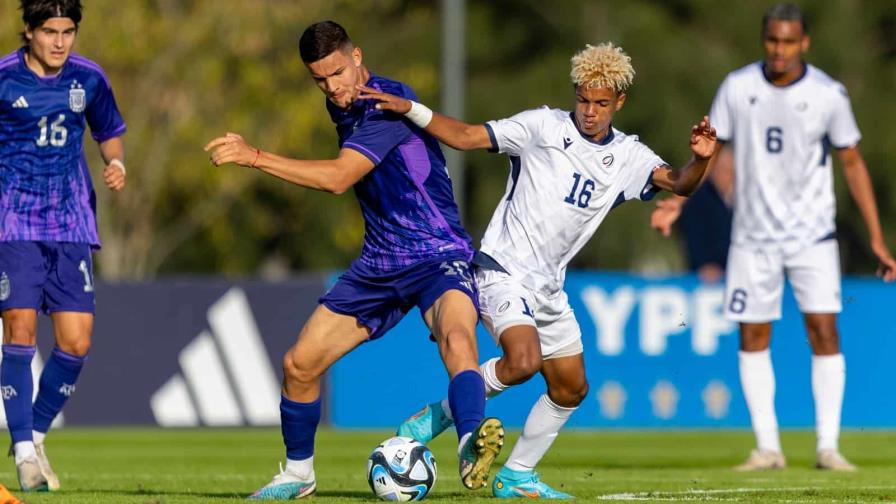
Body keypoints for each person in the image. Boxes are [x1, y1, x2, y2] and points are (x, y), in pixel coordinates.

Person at [360, 42, 717, 498]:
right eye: (583, 100)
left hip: (548, 288)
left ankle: (516, 476)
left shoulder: (629, 156)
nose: (590, 112)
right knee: (523, 362)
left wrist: (701, 159)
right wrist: (412, 109)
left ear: (619, 102)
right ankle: (434, 419)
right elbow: (466, 136)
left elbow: (681, 183)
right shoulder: (541, 127)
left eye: (601, 103)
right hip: (501, 269)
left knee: (570, 388)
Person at [205, 20, 503, 500]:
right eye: (320, 79)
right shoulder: (340, 104)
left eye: (338, 73)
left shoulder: (387, 103)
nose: (331, 87)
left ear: (357, 57)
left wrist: (253, 156)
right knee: (299, 364)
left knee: (456, 337)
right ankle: (298, 475)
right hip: (381, 262)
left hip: (436, 251)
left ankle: (471, 442)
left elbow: (339, 178)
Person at [650, 3, 896, 471]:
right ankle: (768, 447)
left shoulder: (828, 94)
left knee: (824, 331)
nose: (779, 50)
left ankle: (828, 446)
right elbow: (709, 152)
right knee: (752, 334)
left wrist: (876, 238)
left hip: (813, 236)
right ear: (764, 39)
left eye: (788, 42)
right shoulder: (738, 87)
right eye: (772, 40)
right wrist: (678, 201)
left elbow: (852, 163)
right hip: (752, 236)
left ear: (804, 43)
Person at [0, 0, 127, 492]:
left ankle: (33, 434)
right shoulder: (5, 78)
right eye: (49, 31)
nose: (59, 42)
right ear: (29, 31)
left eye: (68, 31)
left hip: (71, 222)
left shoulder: (89, 78)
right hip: (14, 222)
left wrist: (116, 163)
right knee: (20, 328)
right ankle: (24, 454)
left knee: (76, 342)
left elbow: (109, 132)